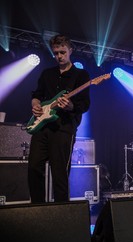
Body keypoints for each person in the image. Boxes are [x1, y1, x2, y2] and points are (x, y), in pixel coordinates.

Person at [28, 34, 90, 203]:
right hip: (42, 127)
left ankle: (61, 213)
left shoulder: (80, 75)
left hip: (64, 128)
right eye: (56, 53)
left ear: (70, 50)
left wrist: (70, 106)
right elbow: (37, 94)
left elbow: (85, 104)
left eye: (62, 52)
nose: (59, 56)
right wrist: (35, 104)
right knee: (33, 167)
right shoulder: (47, 73)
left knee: (60, 173)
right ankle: (36, 209)